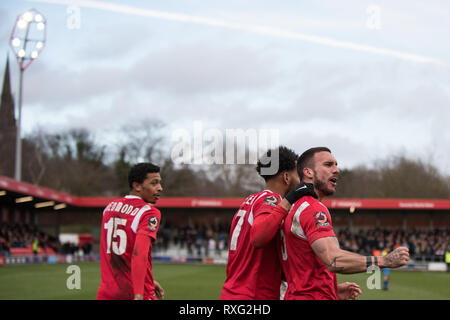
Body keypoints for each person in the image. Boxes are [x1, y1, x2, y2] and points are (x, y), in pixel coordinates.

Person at [279, 147, 409, 300]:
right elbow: (333, 260)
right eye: (328, 165)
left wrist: (332, 290)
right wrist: (383, 260)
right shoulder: (313, 209)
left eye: (336, 165)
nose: (336, 170)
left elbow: (305, 268)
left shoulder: (294, 207)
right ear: (308, 172)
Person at [220, 146, 316, 300]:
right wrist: (290, 199)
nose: (300, 180)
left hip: (233, 293)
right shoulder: (272, 200)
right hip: (254, 296)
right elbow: (258, 237)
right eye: (297, 174)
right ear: (286, 177)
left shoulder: (249, 201)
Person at [96, 163, 165, 300]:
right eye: (154, 183)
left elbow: (121, 253)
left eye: (160, 183)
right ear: (137, 186)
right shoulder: (149, 212)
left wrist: (149, 280)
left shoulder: (109, 208)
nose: (160, 188)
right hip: (136, 293)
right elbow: (139, 253)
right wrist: (139, 293)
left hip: (107, 293)